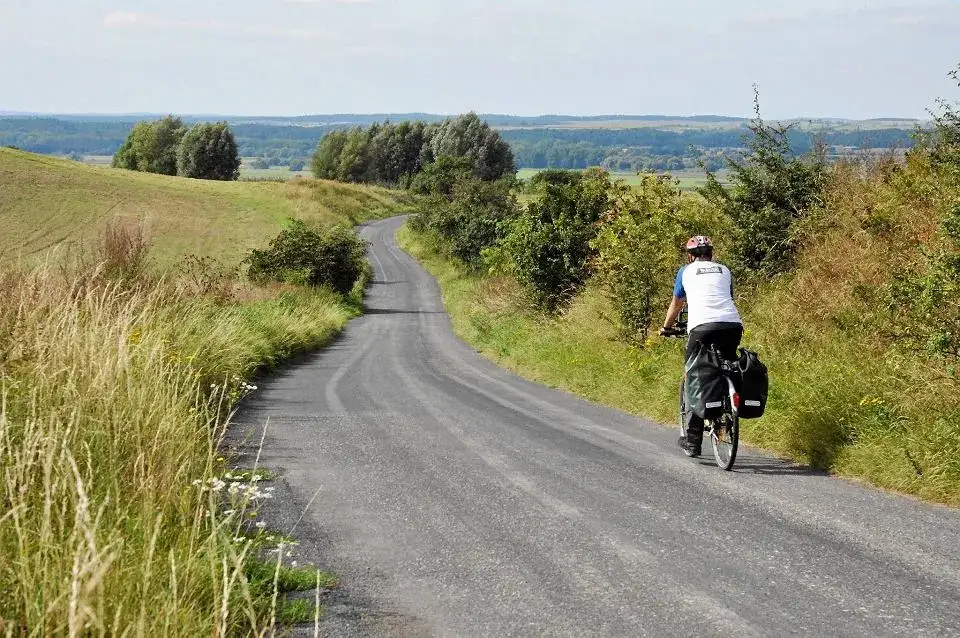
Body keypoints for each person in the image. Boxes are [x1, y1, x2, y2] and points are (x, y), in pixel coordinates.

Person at [660, 236, 743, 457]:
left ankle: (693, 441)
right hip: (732, 326)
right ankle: (728, 406)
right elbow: (727, 297)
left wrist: (666, 327)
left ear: (690, 255)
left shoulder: (685, 272)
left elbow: (677, 303)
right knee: (727, 363)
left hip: (702, 328)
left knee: (694, 376)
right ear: (711, 254)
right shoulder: (724, 270)